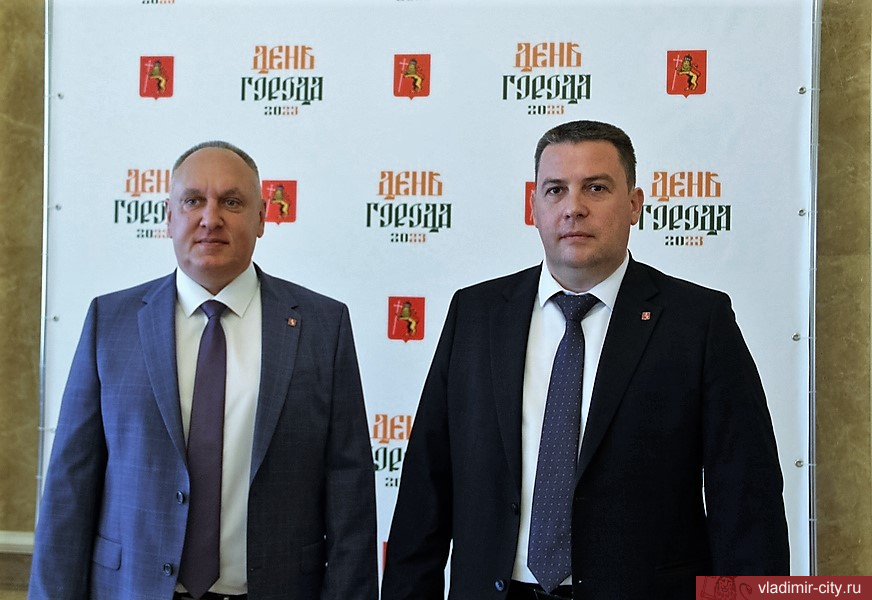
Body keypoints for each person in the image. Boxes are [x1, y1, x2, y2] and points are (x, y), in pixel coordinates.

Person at [381, 120, 789, 600]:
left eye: (596, 188)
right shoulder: (476, 314)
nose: (573, 207)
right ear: (534, 207)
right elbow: (426, 489)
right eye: (555, 190)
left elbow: (746, 503)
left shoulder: (698, 322)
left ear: (634, 204)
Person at [29, 141, 378, 600]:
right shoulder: (109, 323)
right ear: (168, 217)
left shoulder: (322, 326)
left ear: (261, 218)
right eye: (193, 201)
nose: (210, 218)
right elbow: (69, 488)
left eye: (231, 202)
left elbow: (351, 493)